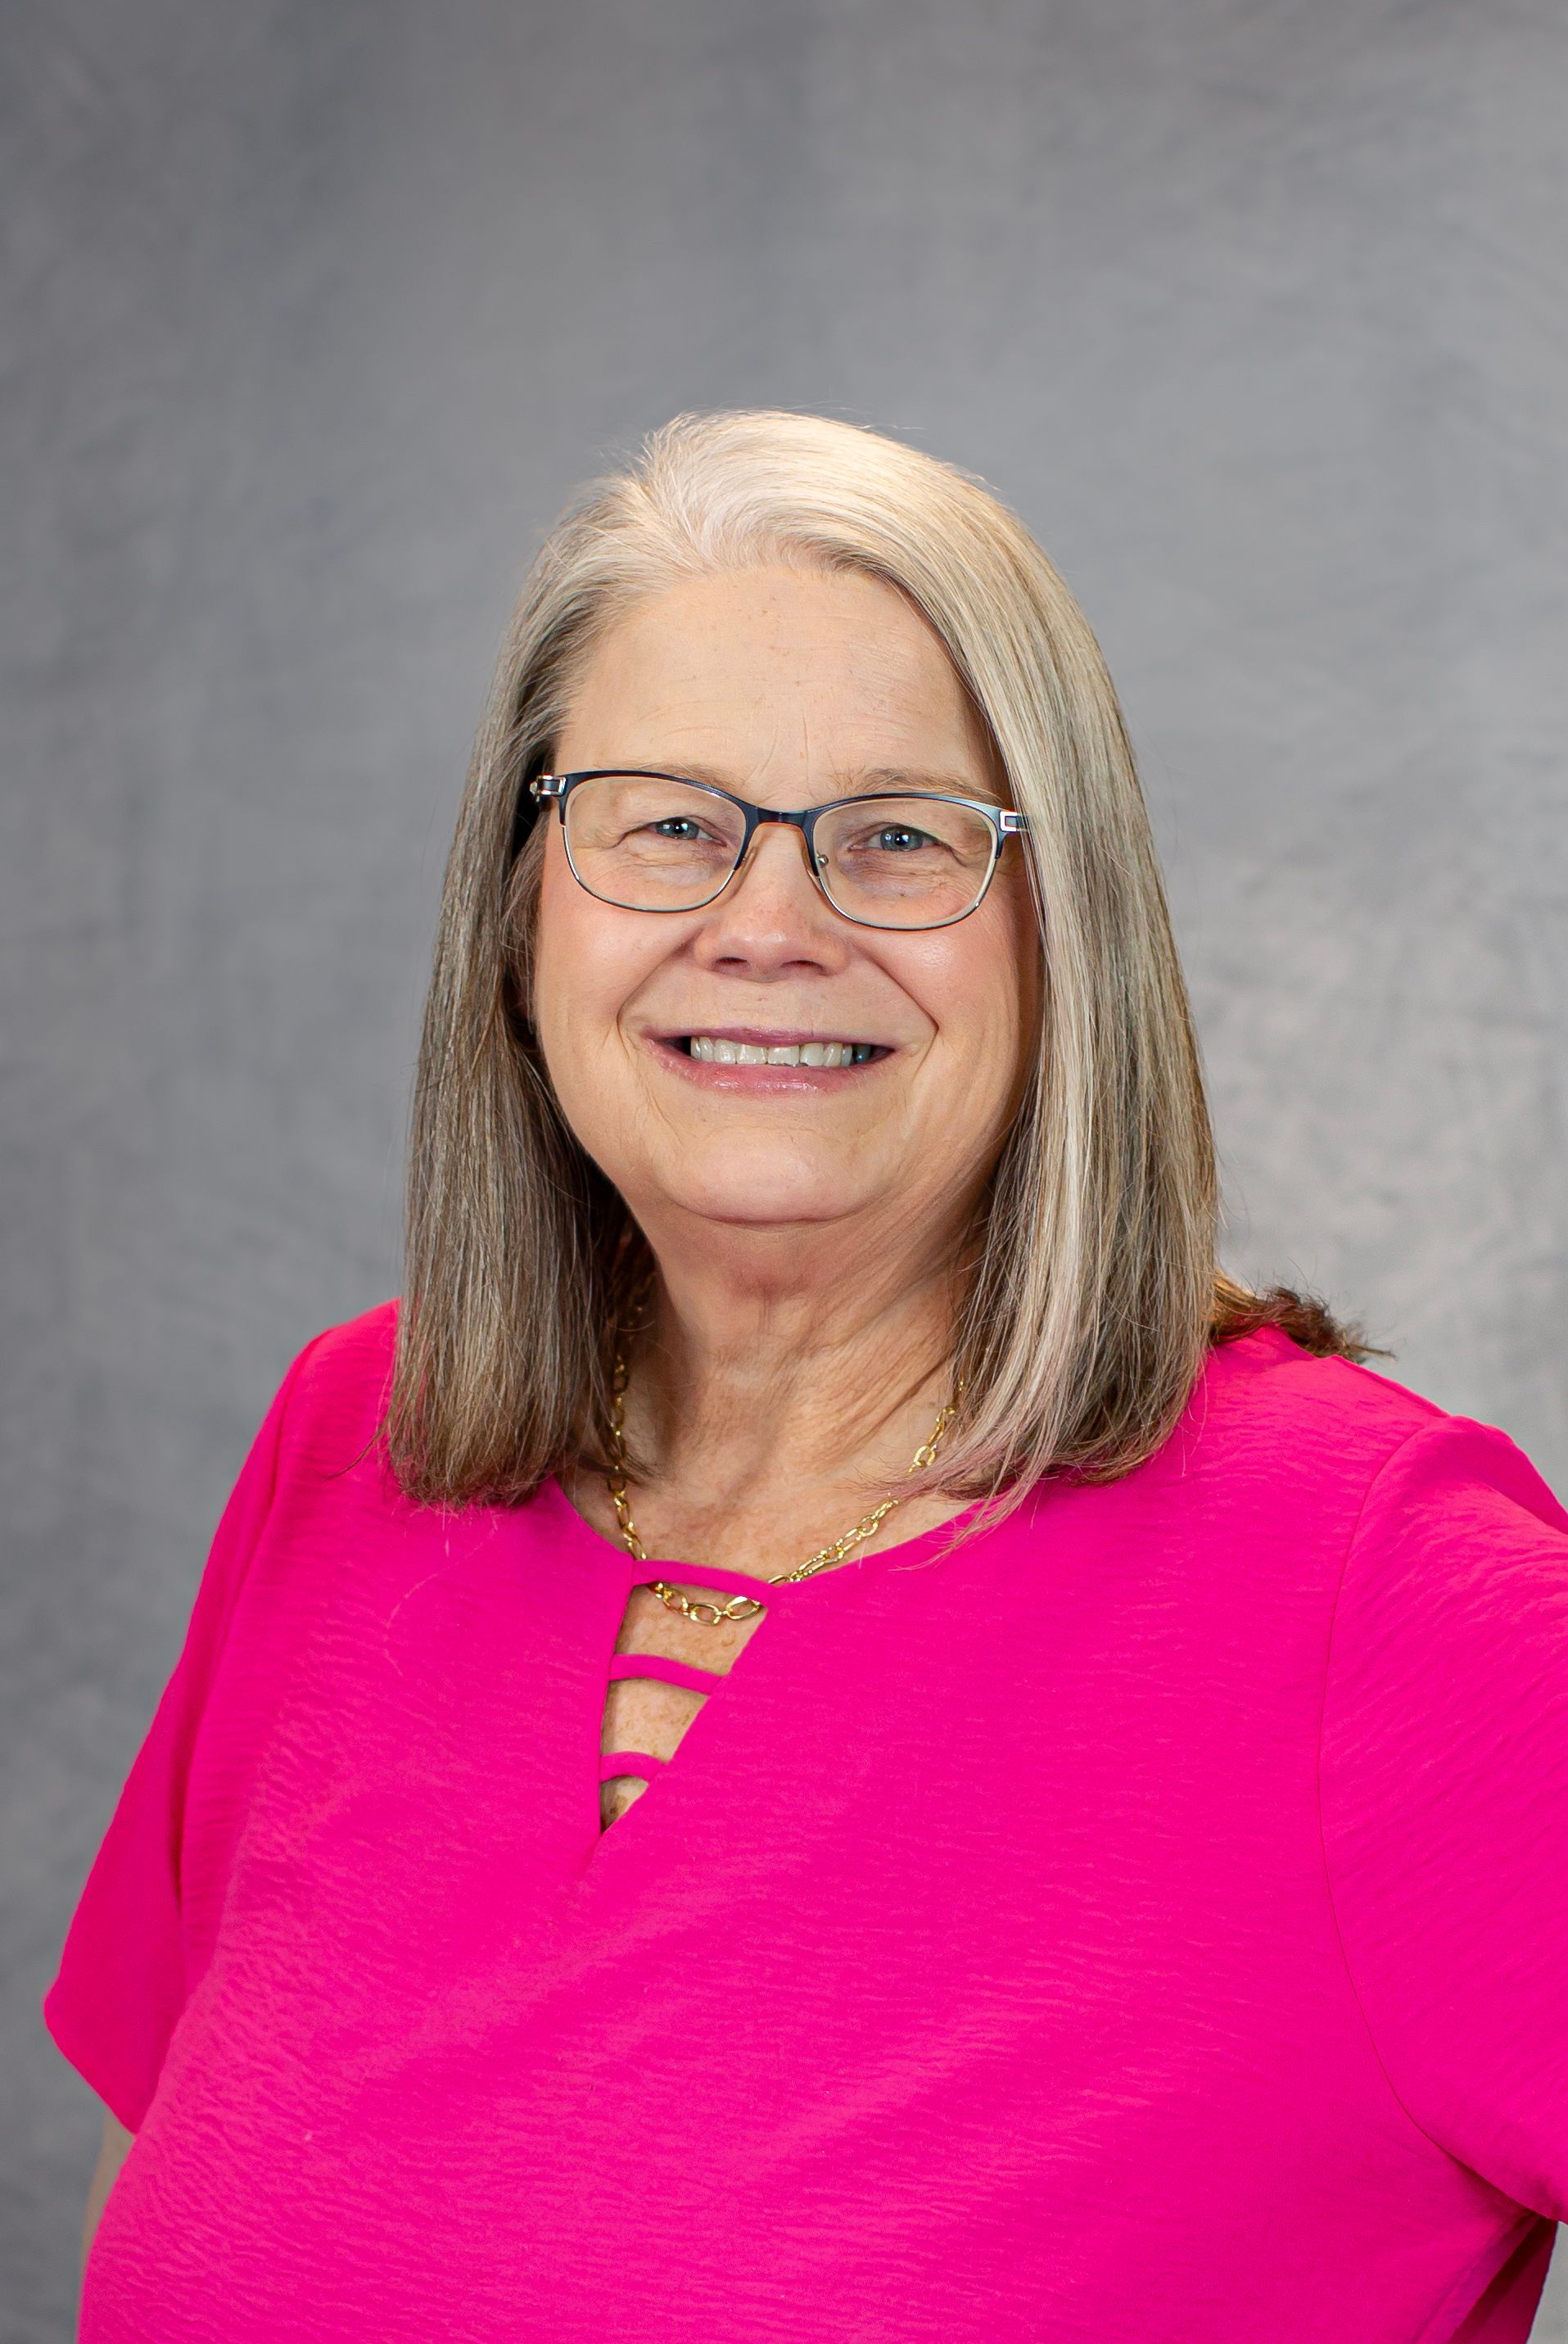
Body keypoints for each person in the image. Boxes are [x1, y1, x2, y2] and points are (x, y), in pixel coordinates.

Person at [47, 410, 1568, 2342]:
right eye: (666, 821)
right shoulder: (355, 1448)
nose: (766, 925)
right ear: (524, 909)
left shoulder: (1380, 1589)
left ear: (1061, 938)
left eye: (900, 838)